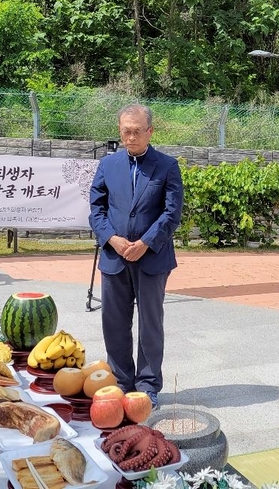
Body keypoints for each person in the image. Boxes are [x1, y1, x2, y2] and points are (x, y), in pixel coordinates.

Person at [89, 104, 183, 410]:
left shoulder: (167, 166)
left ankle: (147, 386)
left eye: (137, 131)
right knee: (114, 322)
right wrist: (112, 239)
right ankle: (121, 381)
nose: (130, 137)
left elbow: (171, 213)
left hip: (152, 258)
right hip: (115, 257)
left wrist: (145, 241)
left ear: (150, 131)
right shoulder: (108, 165)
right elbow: (96, 209)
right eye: (125, 131)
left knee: (150, 323)